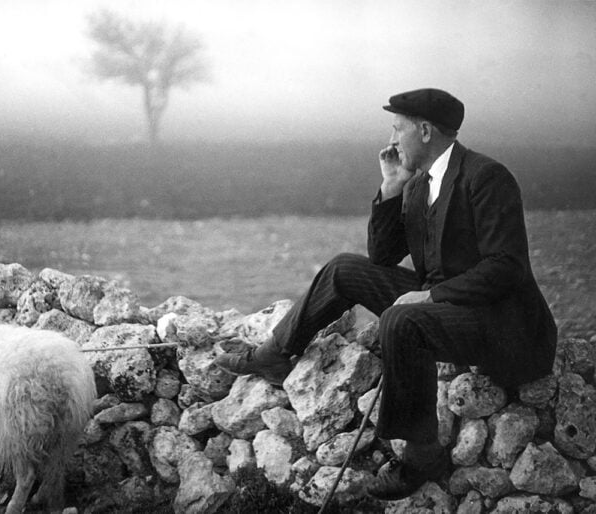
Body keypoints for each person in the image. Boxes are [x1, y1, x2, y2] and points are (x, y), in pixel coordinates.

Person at [214, 88, 557, 500]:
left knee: (401, 318)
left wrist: (430, 298)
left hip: (507, 328)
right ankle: (275, 353)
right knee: (344, 267)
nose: (391, 140)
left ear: (426, 131)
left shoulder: (485, 177)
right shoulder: (416, 185)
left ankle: (421, 454)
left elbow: (506, 266)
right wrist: (391, 186)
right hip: (449, 308)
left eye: (398, 129)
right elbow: (382, 255)